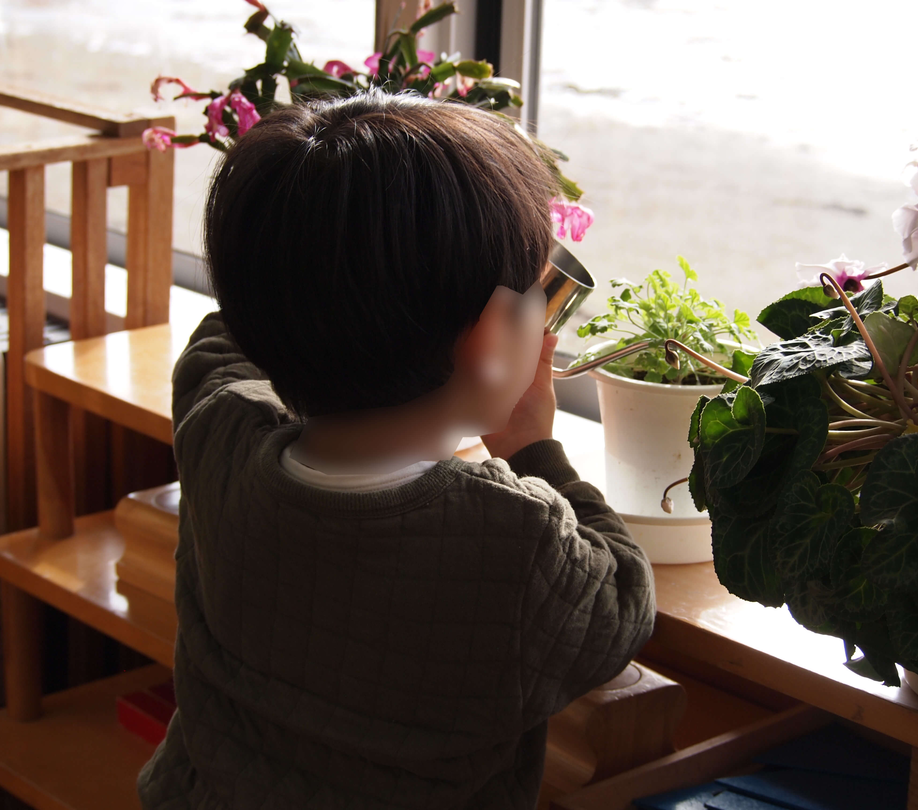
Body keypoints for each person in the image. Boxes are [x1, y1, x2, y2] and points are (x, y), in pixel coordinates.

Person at [137, 91, 655, 810]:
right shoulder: (517, 542)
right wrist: (532, 447)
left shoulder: (216, 429)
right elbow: (624, 597)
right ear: (486, 342)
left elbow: (230, 336)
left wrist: (314, 250)